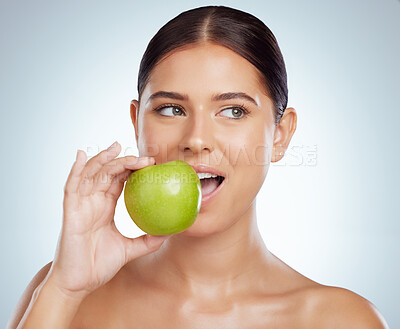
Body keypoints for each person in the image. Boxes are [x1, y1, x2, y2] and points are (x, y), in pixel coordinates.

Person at [8, 5, 388, 329]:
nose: (196, 138)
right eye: (171, 109)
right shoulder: (64, 294)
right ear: (136, 122)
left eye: (233, 110)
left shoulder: (340, 319)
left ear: (280, 135)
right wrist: (63, 290)